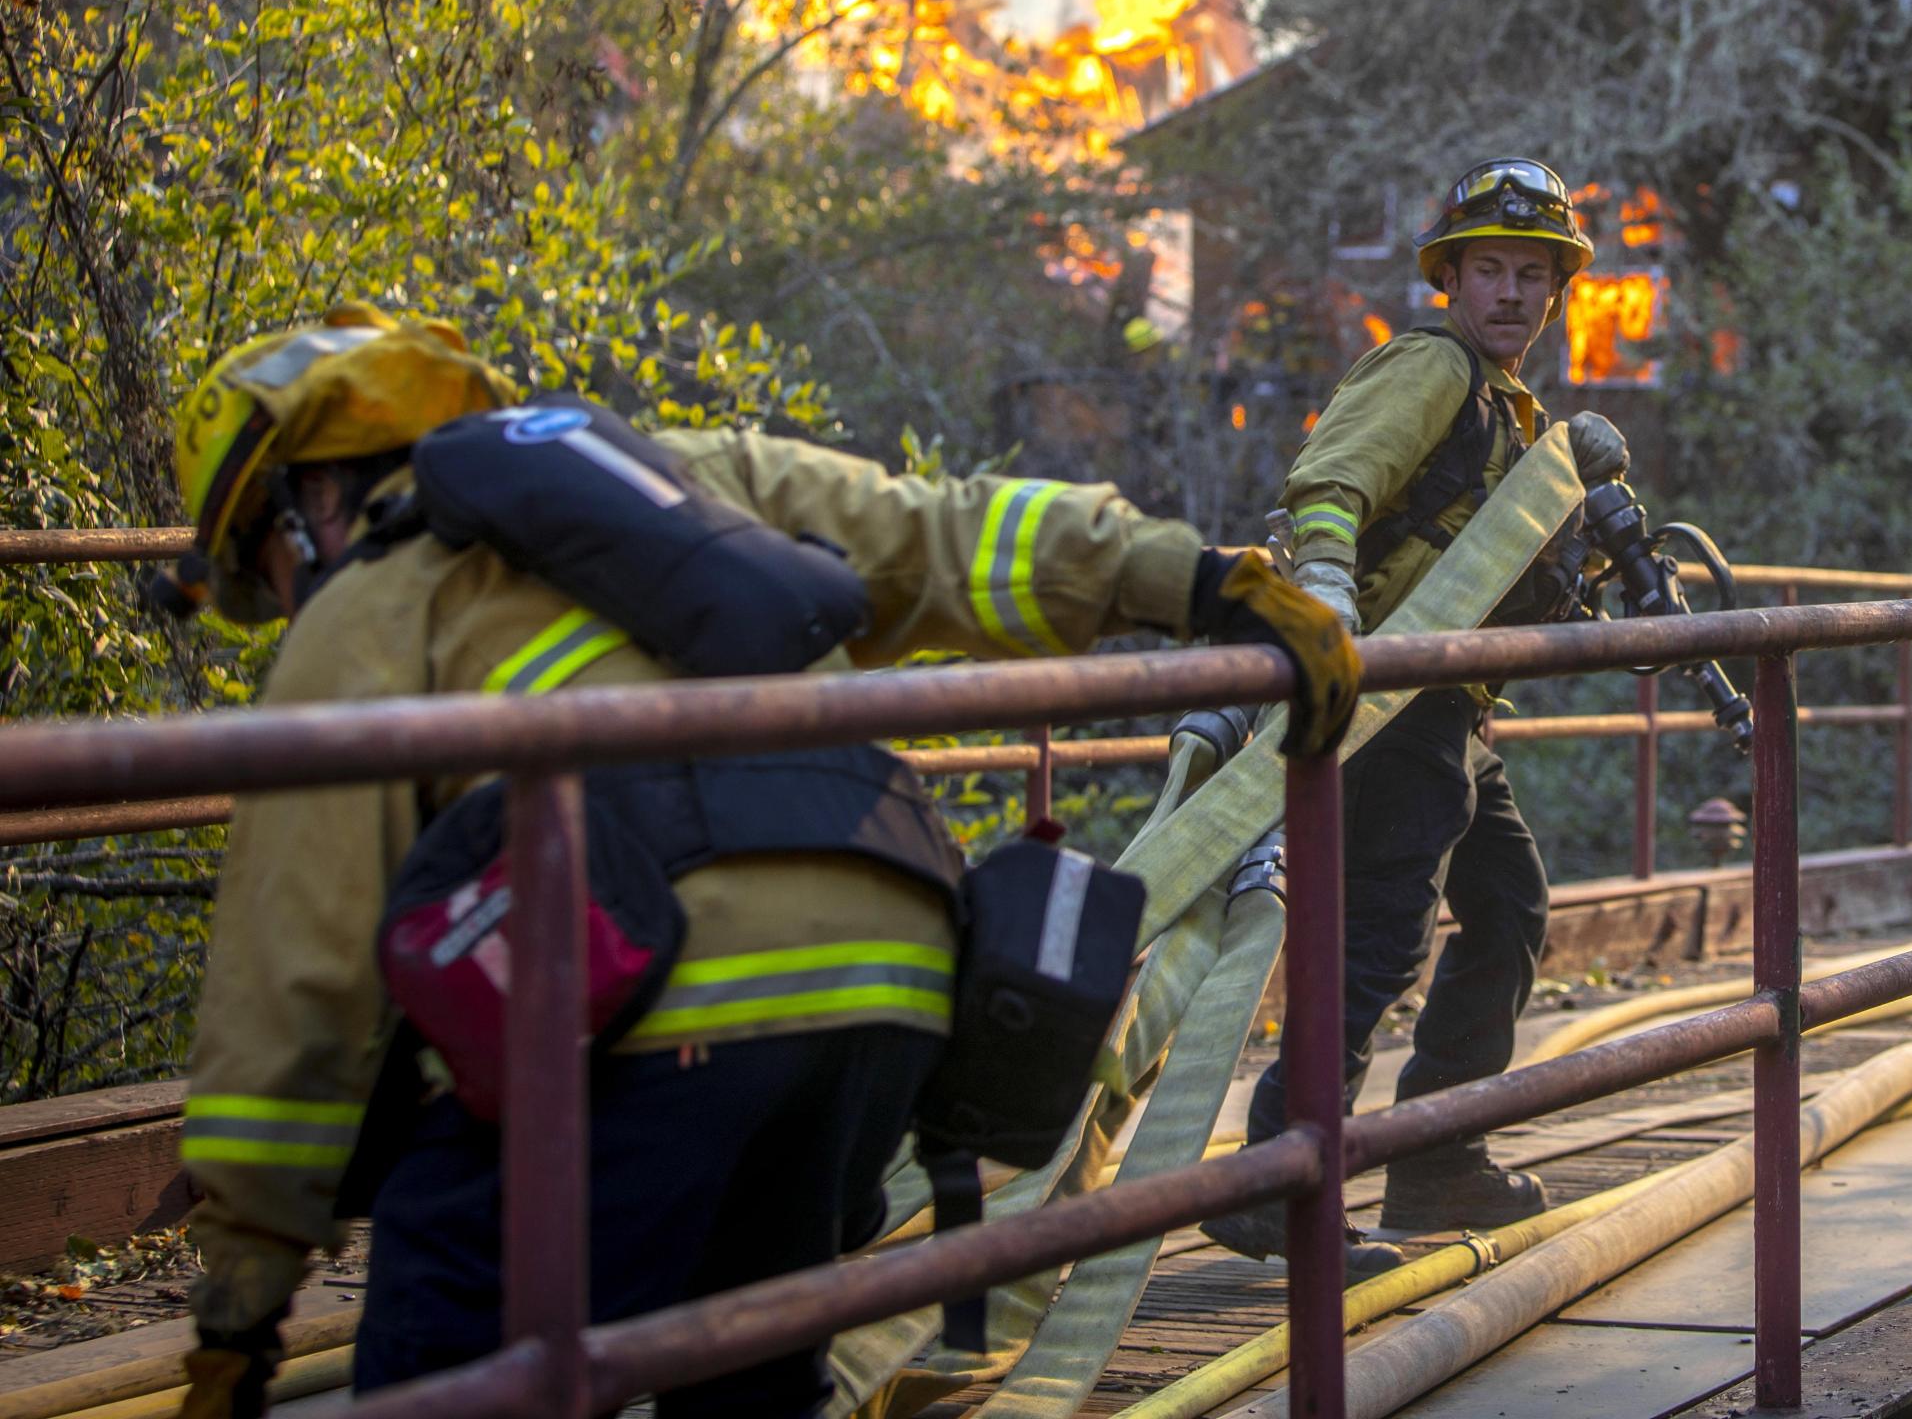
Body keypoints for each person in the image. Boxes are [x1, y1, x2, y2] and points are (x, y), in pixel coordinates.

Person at [165, 306, 1355, 1419]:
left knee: (448, 1348)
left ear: (306, 496)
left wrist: (240, 1310)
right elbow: (945, 532)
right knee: (746, 1368)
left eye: (258, 565)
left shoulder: (359, 609)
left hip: (659, 997)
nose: (279, 600)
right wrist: (1204, 581)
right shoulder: (683, 474)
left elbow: (293, 993)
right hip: (887, 963)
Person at [1206, 159, 1608, 1265]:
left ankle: (1437, 1159)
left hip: (1447, 704)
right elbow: (1330, 481)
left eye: (1535, 274)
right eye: (1492, 270)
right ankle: (1275, 1188)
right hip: (1386, 695)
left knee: (1509, 907)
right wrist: (1327, 587)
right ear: (1452, 277)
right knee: (1376, 942)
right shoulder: (1431, 365)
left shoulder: (1503, 402)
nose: (1514, 294)